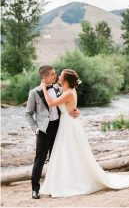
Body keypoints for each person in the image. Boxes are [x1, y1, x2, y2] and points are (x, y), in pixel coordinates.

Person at [39, 69, 129, 197]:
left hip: (68, 124)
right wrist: (75, 110)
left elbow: (52, 103)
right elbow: (69, 105)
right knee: (67, 152)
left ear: (66, 80)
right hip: (68, 123)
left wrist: (44, 89)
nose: (58, 76)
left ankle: (71, 182)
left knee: (70, 152)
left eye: (61, 75)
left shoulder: (69, 92)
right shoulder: (66, 90)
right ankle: (63, 180)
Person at [25, 65, 80, 199]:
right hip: (43, 131)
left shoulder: (58, 88)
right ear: (45, 77)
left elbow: (69, 102)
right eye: (52, 74)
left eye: (56, 74)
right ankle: (35, 189)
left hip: (59, 128)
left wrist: (76, 111)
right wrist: (36, 129)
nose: (55, 76)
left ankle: (55, 185)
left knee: (56, 158)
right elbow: (28, 114)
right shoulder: (34, 92)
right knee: (40, 160)